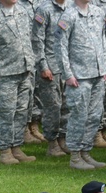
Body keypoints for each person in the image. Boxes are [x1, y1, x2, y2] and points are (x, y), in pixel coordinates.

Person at [0, 0, 37, 165]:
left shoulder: (22, 12)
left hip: (24, 70)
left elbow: (29, 39)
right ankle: (4, 150)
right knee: (4, 113)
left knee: (21, 111)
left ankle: (16, 146)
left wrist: (31, 63)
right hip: (4, 73)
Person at [55, 0, 106, 169]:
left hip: (97, 74)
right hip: (79, 76)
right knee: (79, 116)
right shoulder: (69, 15)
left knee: (94, 115)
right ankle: (75, 156)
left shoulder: (98, 12)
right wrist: (67, 74)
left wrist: (104, 67)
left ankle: (86, 151)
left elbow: (103, 41)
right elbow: (60, 46)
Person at [33, 0, 70, 157]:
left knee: (67, 107)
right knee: (52, 107)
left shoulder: (71, 8)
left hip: (67, 67)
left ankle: (63, 139)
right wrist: (43, 66)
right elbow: (37, 39)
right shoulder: (43, 10)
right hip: (50, 67)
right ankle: (52, 143)